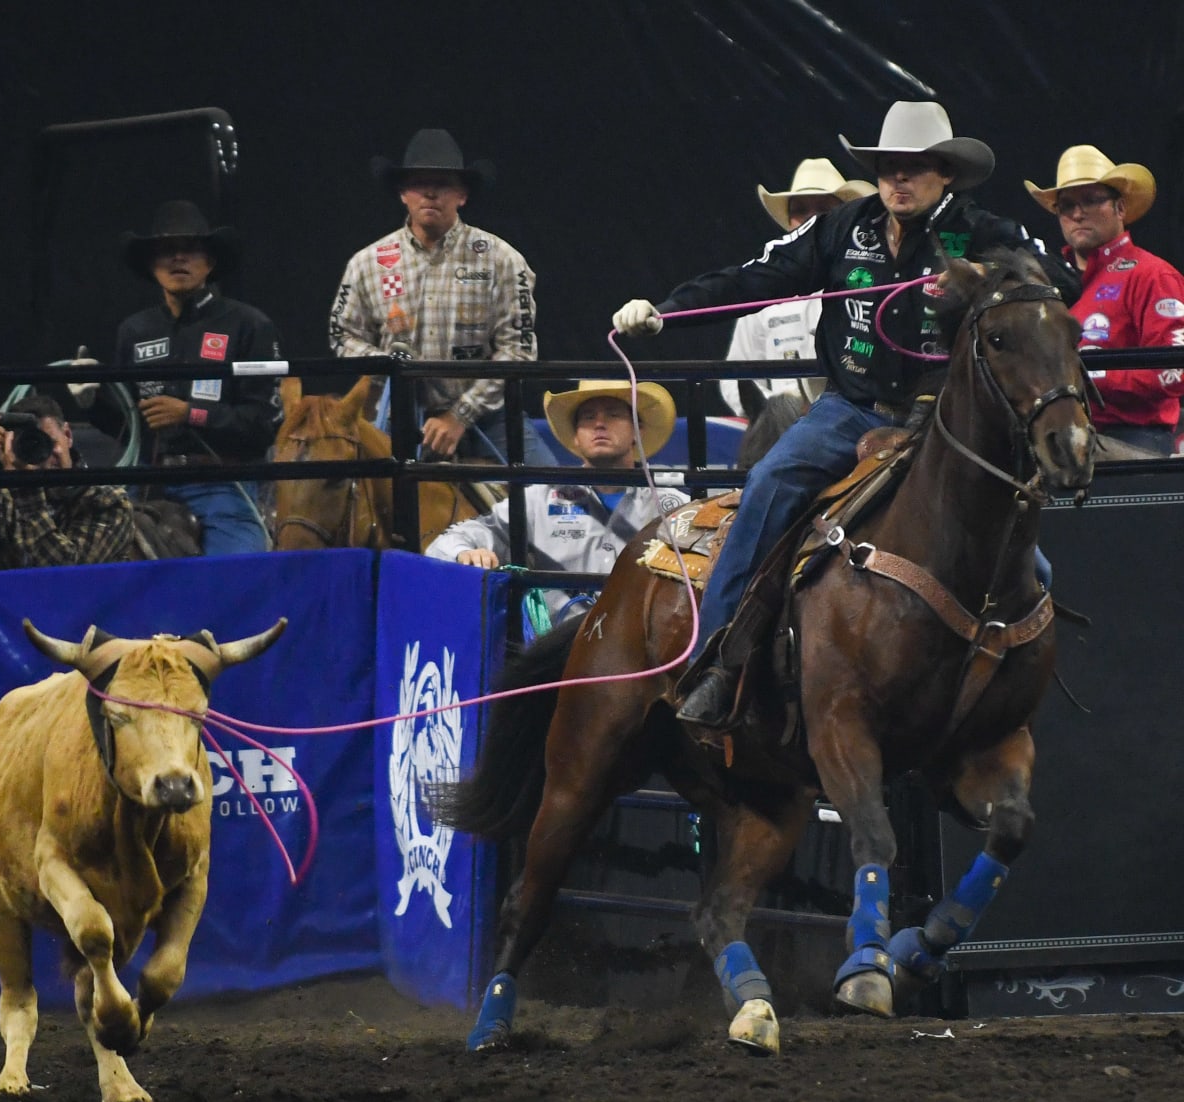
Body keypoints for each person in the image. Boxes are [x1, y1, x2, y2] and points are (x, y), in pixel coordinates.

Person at [613, 100, 1078, 729]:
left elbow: (1058, 277)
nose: (898, 181)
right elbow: (759, 275)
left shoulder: (982, 230)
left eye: (913, 169)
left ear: (945, 174)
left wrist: (982, 275)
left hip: (942, 422)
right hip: (850, 408)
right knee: (771, 484)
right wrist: (666, 310)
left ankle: (1011, 683)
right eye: (888, 168)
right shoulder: (843, 227)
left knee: (1031, 559)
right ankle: (719, 661)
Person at [329, 128, 557, 467]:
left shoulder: (503, 260)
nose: (431, 192)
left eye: (443, 183)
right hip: (397, 416)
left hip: (487, 418)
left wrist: (459, 416)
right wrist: (392, 367)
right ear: (403, 193)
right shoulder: (367, 264)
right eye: (419, 183)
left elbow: (518, 350)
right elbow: (343, 335)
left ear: (462, 195)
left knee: (555, 492)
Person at [425, 379, 687, 620]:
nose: (599, 423)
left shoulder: (672, 505)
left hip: (643, 651)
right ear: (576, 436)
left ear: (636, 432)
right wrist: (465, 553)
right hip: (556, 653)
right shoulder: (539, 498)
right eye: (588, 417)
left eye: (613, 414)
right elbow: (445, 544)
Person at [111, 200, 281, 555]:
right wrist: (94, 399)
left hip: (222, 484)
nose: (178, 259)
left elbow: (263, 423)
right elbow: (126, 427)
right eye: (166, 251)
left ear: (211, 262)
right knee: (97, 557)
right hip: (147, 481)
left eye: (190, 249)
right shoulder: (134, 330)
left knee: (238, 571)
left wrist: (190, 413)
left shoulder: (249, 325)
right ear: (151, 264)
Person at [1025, 145, 1184, 457]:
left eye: (1091, 200)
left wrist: (1092, 378)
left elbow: (1176, 372)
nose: (1077, 213)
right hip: (1055, 430)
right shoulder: (1043, 280)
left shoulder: (1153, 275)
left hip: (1133, 437)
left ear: (1120, 208)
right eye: (1066, 205)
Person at [720, 159, 875, 417]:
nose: (811, 219)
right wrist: (779, 410)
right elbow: (734, 377)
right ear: (790, 221)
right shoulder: (764, 290)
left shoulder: (868, 278)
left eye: (823, 209)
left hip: (854, 418)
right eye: (801, 210)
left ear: (842, 217)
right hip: (779, 429)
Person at [0, 392, 134, 569]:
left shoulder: (109, 501)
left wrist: (26, 488)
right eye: (31, 445)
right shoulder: (0, 494)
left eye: (48, 443)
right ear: (9, 445)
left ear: (68, 435)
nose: (44, 458)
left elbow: (65, 578)